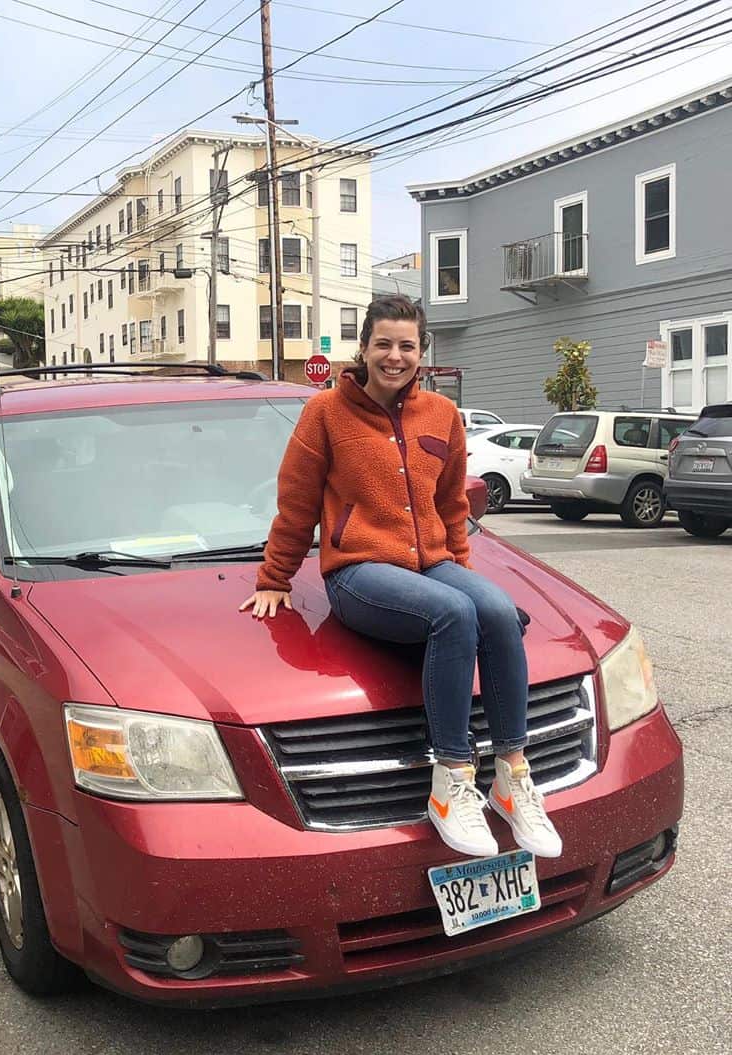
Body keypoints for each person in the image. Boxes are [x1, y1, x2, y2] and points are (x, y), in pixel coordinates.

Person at [240, 296, 562, 860]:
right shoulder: (325, 413)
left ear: (421, 352)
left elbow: (452, 505)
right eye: (383, 344)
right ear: (363, 348)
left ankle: (512, 775)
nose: (395, 356)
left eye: (406, 346)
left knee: (495, 608)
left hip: (432, 563)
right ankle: (452, 780)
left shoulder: (442, 414)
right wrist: (275, 577)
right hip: (359, 570)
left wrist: (460, 571)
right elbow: (297, 501)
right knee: (453, 613)